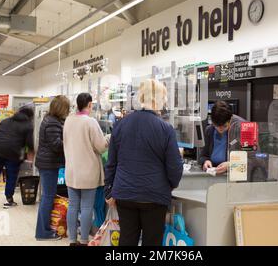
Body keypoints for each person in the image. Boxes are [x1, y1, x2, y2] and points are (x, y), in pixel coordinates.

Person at [105, 79, 184, 246]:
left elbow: (112, 162)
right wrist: (170, 185)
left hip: (125, 193)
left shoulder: (120, 124)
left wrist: (109, 190)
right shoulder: (165, 129)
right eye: (164, 99)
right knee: (152, 242)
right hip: (154, 196)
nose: (164, 103)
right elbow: (174, 167)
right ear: (156, 100)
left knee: (126, 240)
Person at [63, 93, 108, 246]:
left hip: (72, 170)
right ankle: (83, 240)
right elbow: (101, 147)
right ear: (89, 104)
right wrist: (108, 138)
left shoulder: (68, 121)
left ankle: (72, 240)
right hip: (88, 172)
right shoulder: (91, 122)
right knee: (87, 206)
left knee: (73, 206)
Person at [0, 106, 34, 209]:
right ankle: (9, 199)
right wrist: (31, 154)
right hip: (13, 153)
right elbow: (29, 143)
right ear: (29, 116)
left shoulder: (5, 121)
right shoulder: (28, 125)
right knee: (11, 176)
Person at [35, 95, 70, 241]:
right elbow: (56, 145)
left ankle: (44, 230)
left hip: (47, 163)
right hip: (49, 164)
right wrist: (69, 140)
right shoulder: (53, 123)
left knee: (47, 197)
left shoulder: (51, 120)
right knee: (48, 197)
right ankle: (43, 232)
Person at [198, 101, 246, 174]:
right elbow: (203, 155)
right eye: (217, 126)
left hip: (236, 177)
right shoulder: (209, 130)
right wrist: (205, 161)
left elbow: (253, 159)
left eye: (224, 126)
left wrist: (231, 165)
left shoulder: (244, 128)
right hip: (215, 174)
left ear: (230, 119)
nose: (220, 129)